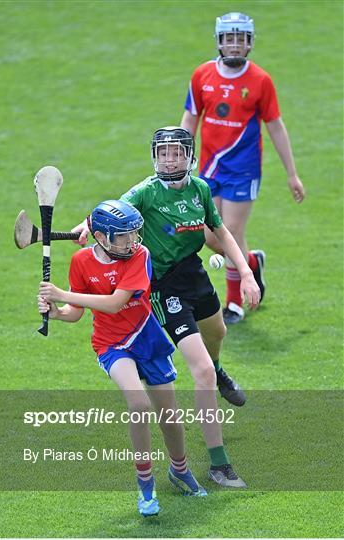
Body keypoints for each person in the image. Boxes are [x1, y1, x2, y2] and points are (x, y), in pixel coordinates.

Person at [73, 127, 261, 487]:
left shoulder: (200, 190)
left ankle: (219, 370)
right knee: (200, 370)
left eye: (176, 153)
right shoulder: (146, 191)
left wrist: (247, 274)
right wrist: (86, 225)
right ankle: (219, 464)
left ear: (189, 156)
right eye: (162, 153)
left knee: (217, 333)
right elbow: (116, 208)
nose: (168, 159)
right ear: (154, 156)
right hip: (162, 286)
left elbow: (221, 234)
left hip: (194, 273)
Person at [38, 199, 207, 518]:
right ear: (101, 237)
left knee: (170, 418)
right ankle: (145, 485)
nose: (132, 241)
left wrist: (61, 294)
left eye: (134, 233)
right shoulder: (81, 261)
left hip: (147, 337)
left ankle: (179, 469)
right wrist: (58, 313)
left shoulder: (140, 256)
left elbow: (115, 303)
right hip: (112, 344)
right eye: (123, 236)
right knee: (139, 405)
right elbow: (77, 313)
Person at [181, 12, 305, 324]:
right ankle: (251, 263)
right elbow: (191, 118)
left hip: (243, 170)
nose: (235, 45)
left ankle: (234, 303)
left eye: (241, 39)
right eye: (229, 38)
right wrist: (181, 157)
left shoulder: (260, 81)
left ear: (249, 43)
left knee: (231, 232)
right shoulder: (202, 75)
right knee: (210, 237)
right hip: (210, 167)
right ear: (219, 42)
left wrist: (291, 173)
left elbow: (276, 126)